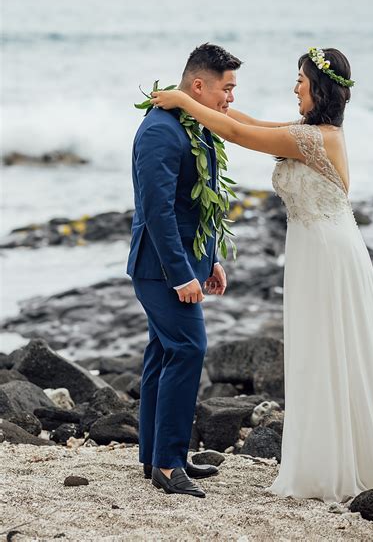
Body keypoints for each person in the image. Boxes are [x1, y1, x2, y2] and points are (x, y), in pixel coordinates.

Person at [152, 47, 373, 502]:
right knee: (319, 350)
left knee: (328, 347)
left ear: (318, 87)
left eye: (299, 79)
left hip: (327, 253)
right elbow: (248, 120)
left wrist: (184, 103)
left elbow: (239, 134)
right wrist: (198, 98)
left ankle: (338, 463)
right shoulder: (309, 131)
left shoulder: (317, 140)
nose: (294, 87)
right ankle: (327, 452)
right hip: (313, 249)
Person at [127, 43, 241, 498]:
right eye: (226, 89)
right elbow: (156, 212)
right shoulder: (160, 131)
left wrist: (209, 258)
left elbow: (194, 204)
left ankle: (153, 456)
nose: (230, 99)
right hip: (158, 269)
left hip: (184, 263)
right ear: (198, 85)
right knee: (190, 349)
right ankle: (171, 466)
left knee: (163, 352)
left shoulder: (195, 125)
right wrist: (180, 274)